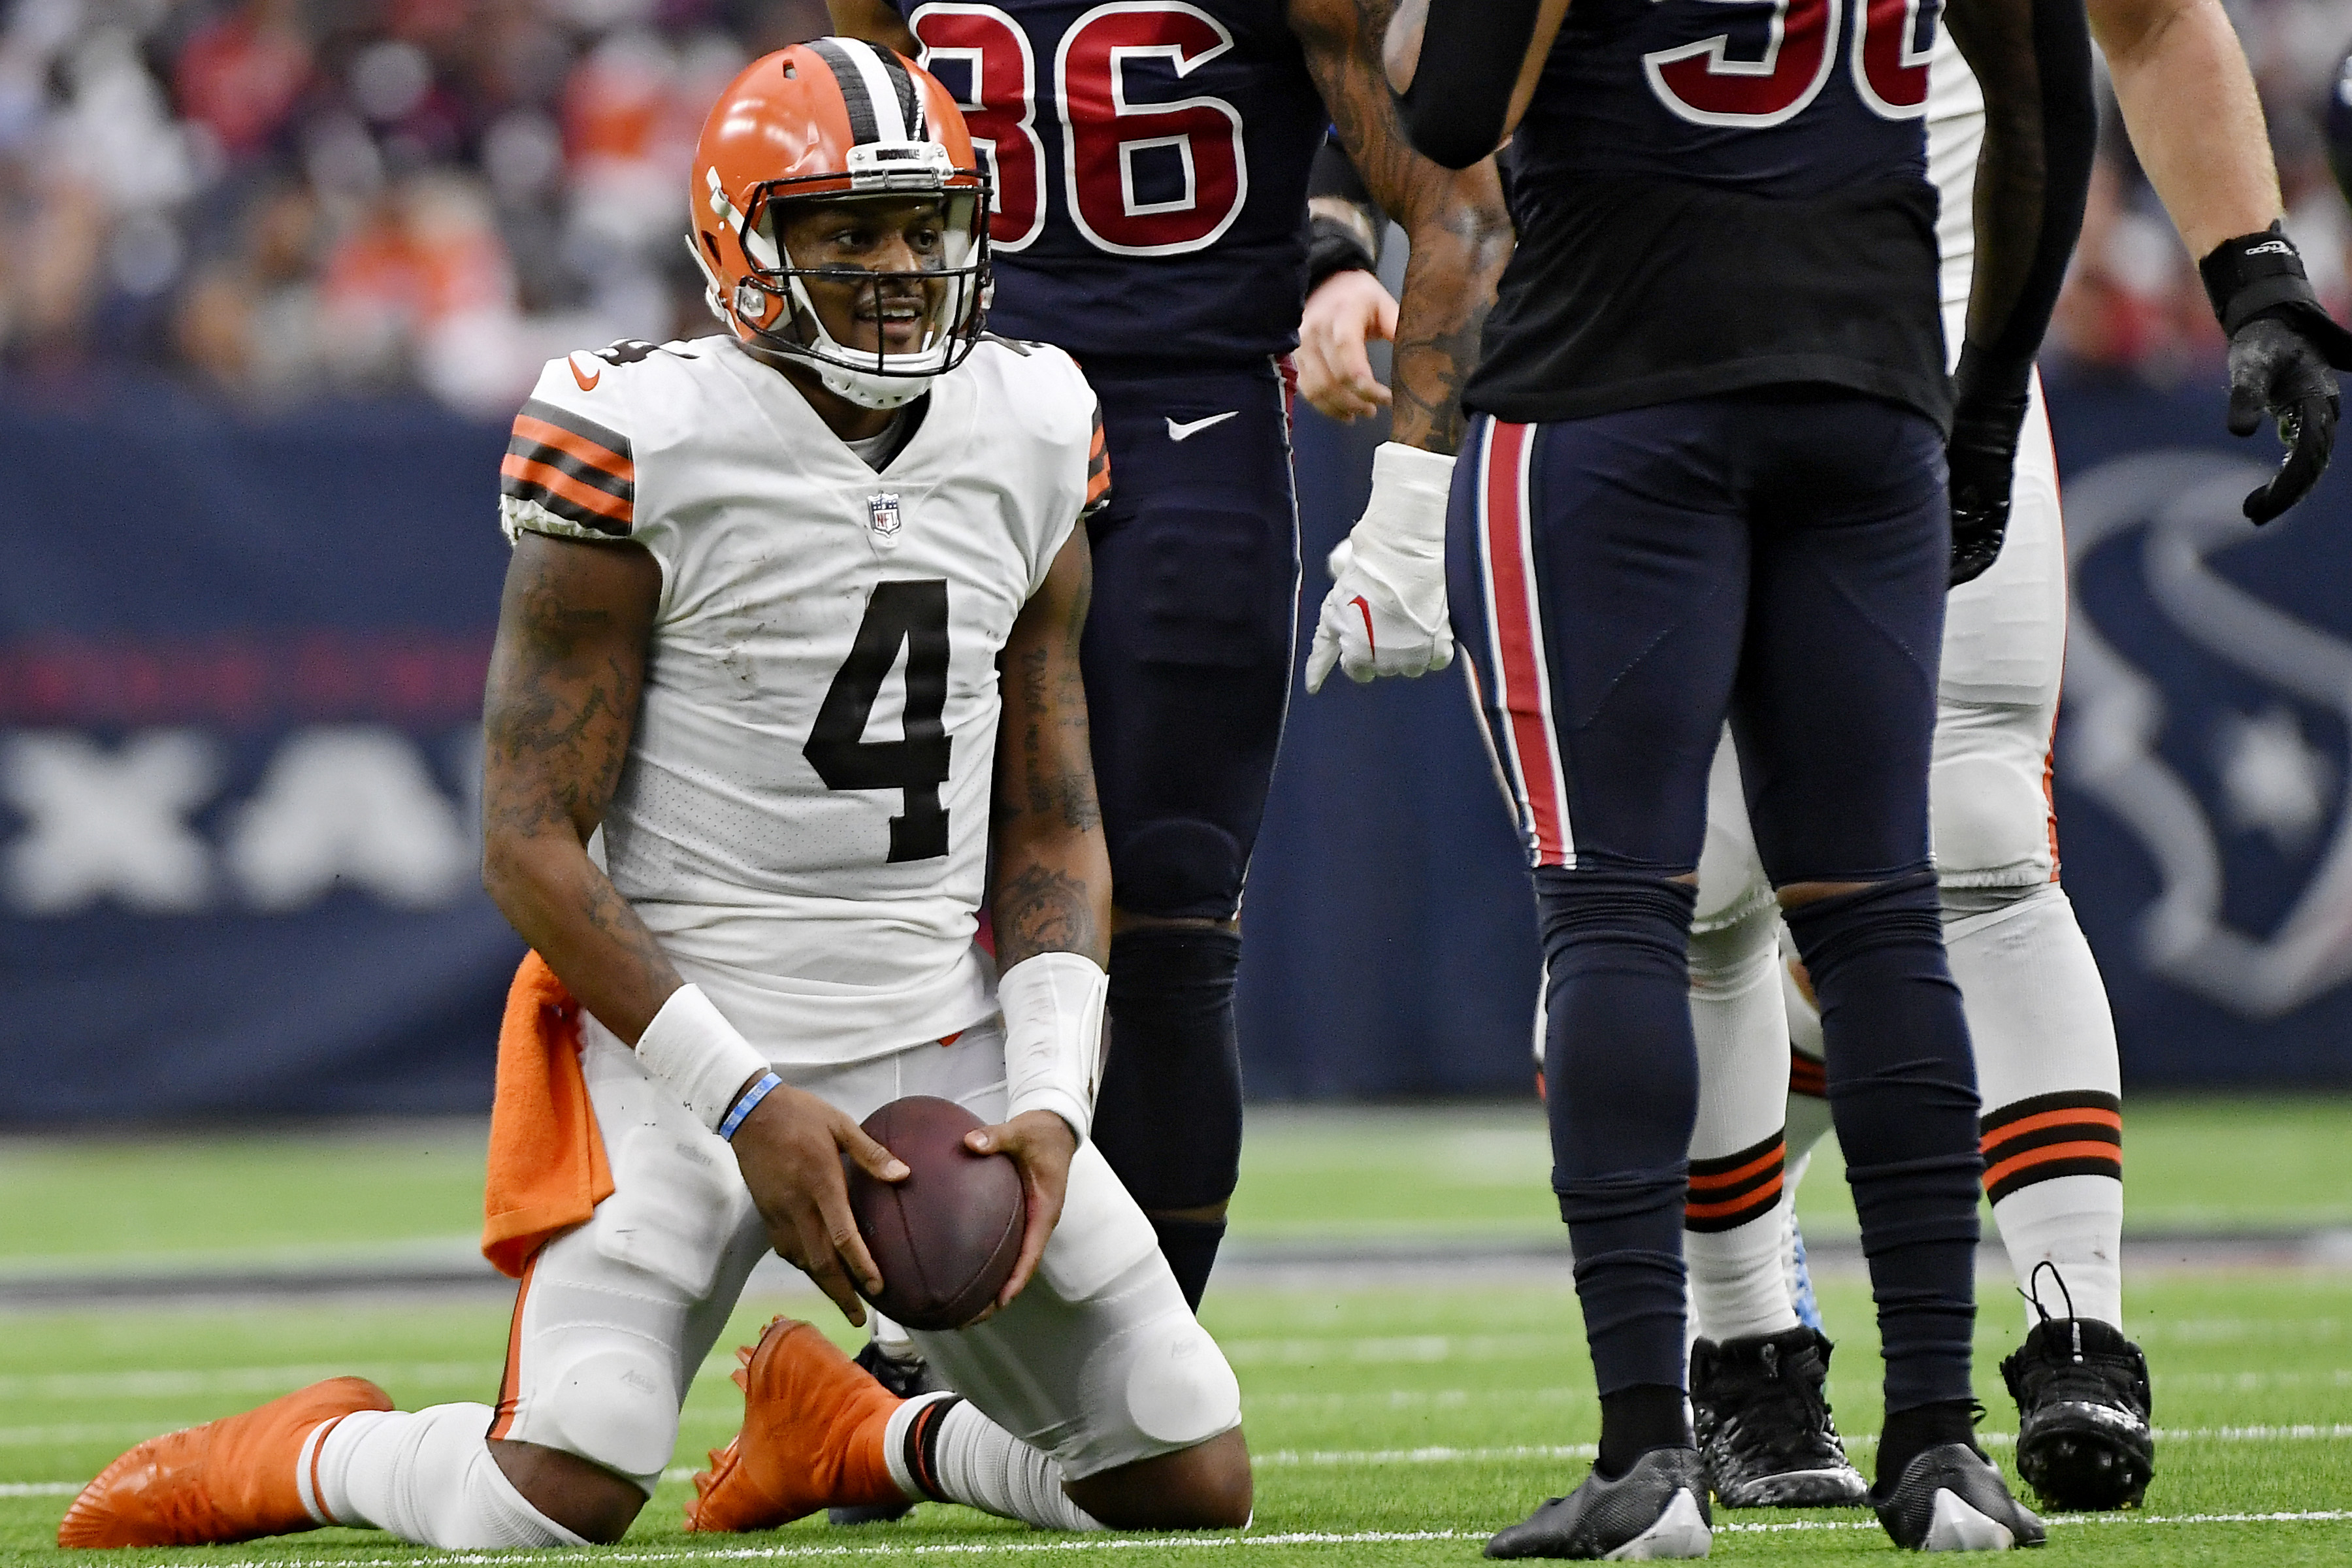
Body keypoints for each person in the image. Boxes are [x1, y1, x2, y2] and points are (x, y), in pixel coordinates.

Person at [56, 41, 1251, 1552]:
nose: (894, 269)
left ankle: (862, 1438)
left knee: (1181, 1471)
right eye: (842, 232)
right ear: (743, 242)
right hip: (680, 1038)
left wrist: (1050, 1102)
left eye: (920, 229)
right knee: (558, 1492)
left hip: (931, 1026)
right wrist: (744, 1101)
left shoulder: (1025, 425)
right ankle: (309, 1454)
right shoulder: (643, 440)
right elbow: (528, 838)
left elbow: (1054, 818)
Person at [1343, 0, 2099, 1554]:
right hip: (1868, 379)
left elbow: (1447, 111)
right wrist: (1989, 391)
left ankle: (1648, 1459)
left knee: (1619, 909)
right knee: (1882, 918)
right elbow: (2042, 113)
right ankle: (1943, 1447)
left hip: (1616, 384)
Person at [1673, 0, 2352, 1516]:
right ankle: (1755, 1348)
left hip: (1923, 354)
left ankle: (2059, 1332)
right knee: (1696, 883)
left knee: (1972, 840)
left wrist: (2255, 271)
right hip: (1658, 358)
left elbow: (2155, 19)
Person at [826, 0, 1512, 1326]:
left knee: (1170, 924)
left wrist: (1415, 498)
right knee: (900, 912)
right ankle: (923, 1344)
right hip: (951, 438)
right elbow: (836, 167)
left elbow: (1462, 210)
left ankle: (1145, 1356)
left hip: (1185, 426)